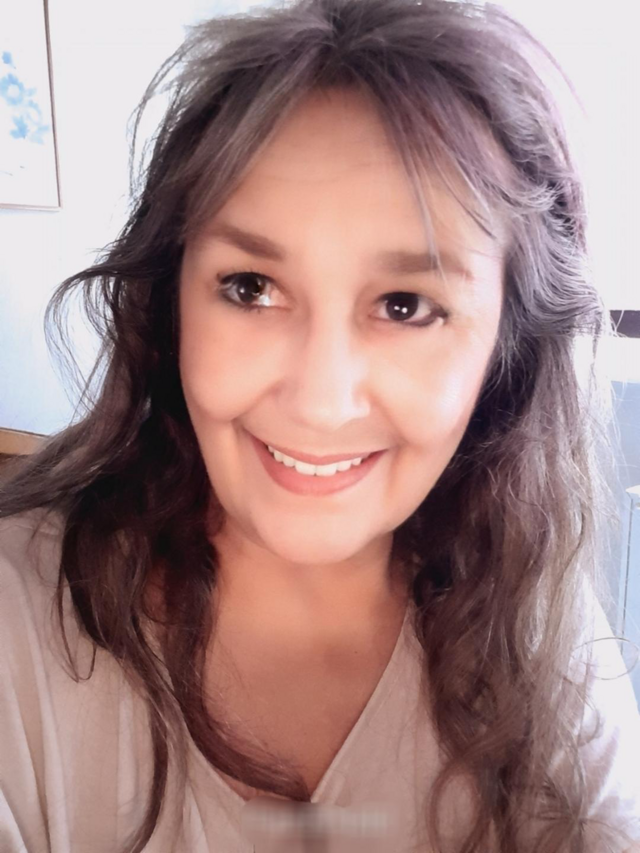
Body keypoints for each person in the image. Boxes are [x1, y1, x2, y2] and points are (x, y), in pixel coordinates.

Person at [0, 0, 638, 850]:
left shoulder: (541, 634)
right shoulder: (17, 629)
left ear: (504, 350)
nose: (319, 401)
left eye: (405, 305)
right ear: (170, 301)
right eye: (251, 287)